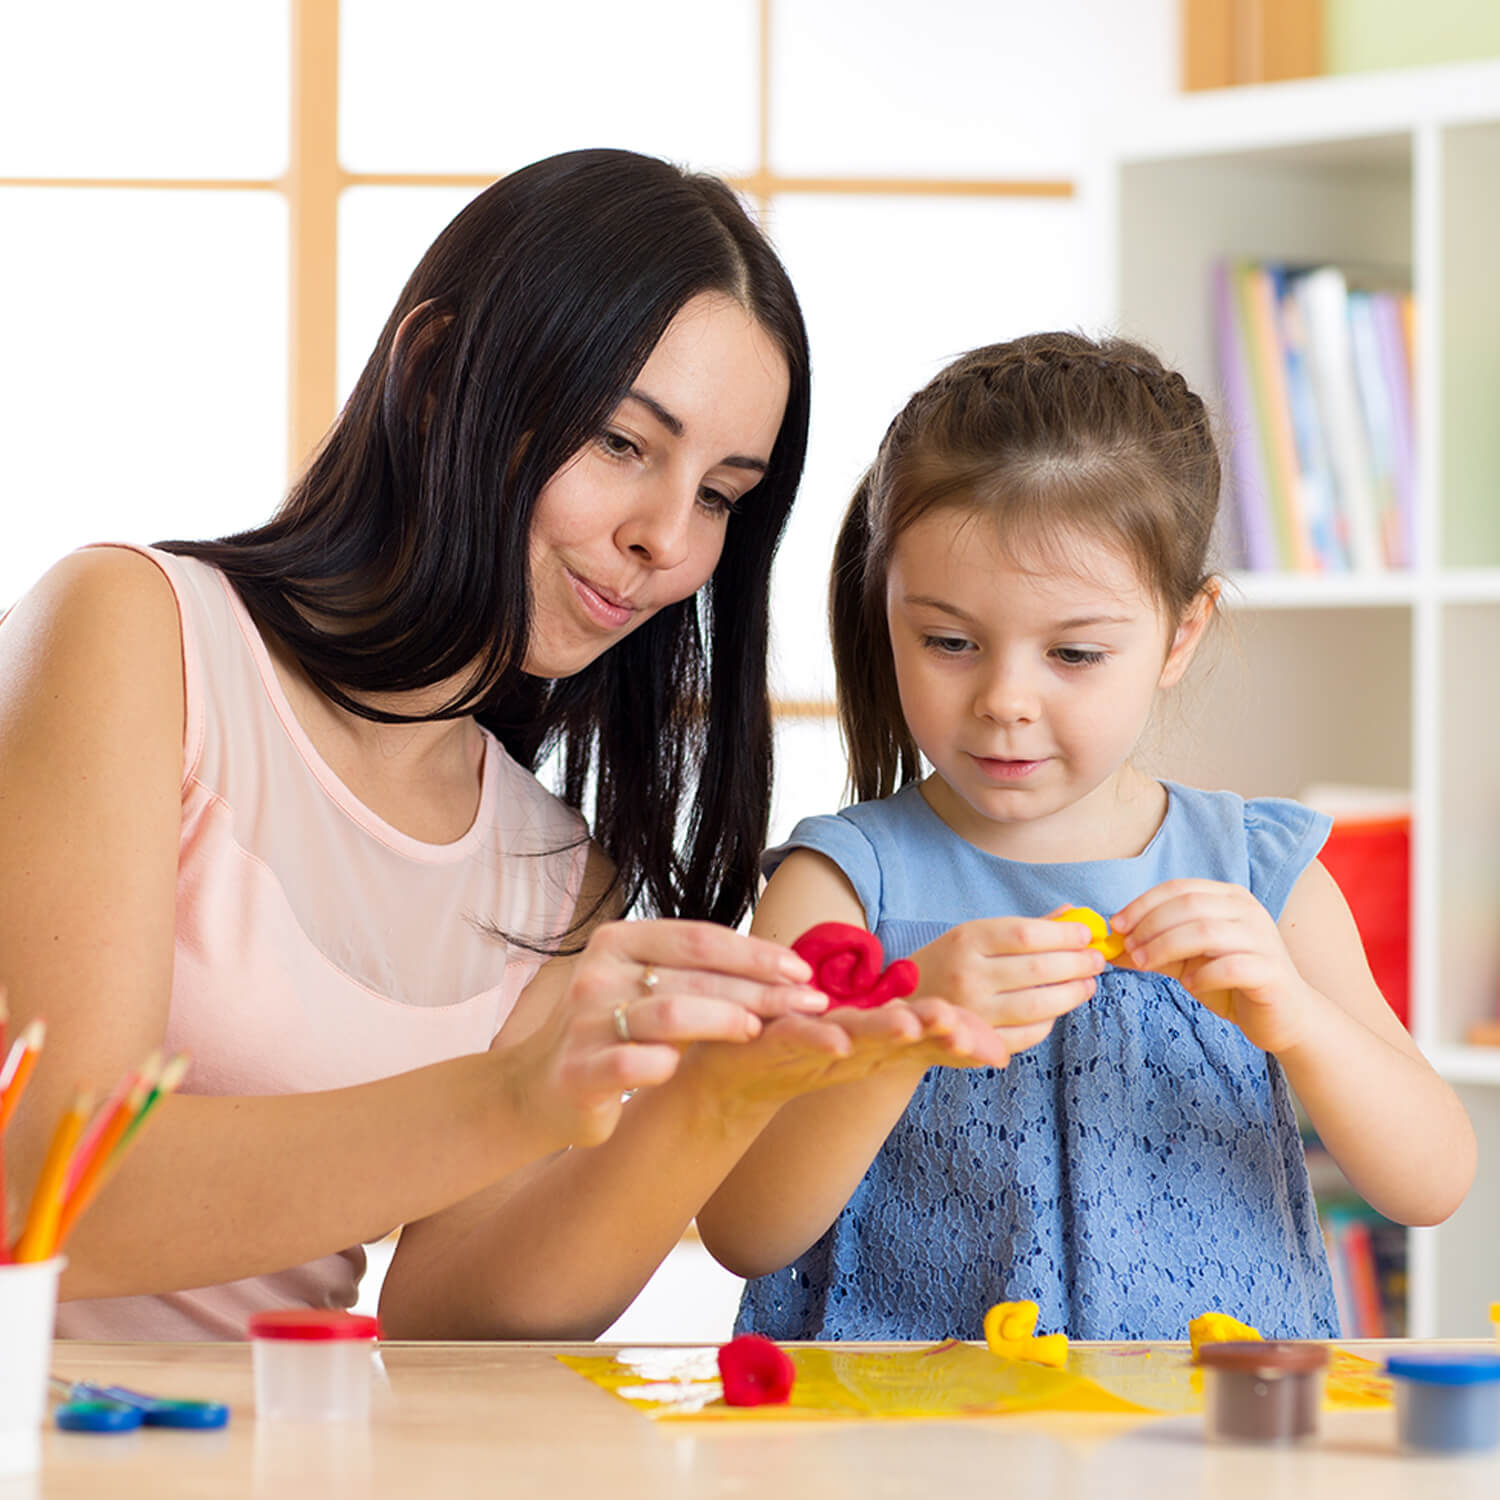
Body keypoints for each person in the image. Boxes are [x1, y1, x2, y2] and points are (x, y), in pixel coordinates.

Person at [0, 147, 851, 1340]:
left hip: (281, 1454)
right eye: (621, 442)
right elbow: (45, 1185)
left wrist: (710, 1104)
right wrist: (513, 1097)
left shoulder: (558, 876)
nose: (668, 537)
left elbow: (453, 1324)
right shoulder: (135, 632)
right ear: (438, 374)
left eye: (720, 493)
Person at [695, 332, 1475, 1342]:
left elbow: (1434, 1180)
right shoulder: (843, 890)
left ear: (1180, 635)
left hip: (1209, 1441)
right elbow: (744, 1228)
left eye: (1073, 652)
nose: (1005, 701)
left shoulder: (1263, 878)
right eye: (948, 642)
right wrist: (903, 1030)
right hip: (902, 1442)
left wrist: (1297, 1019)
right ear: (884, 607)